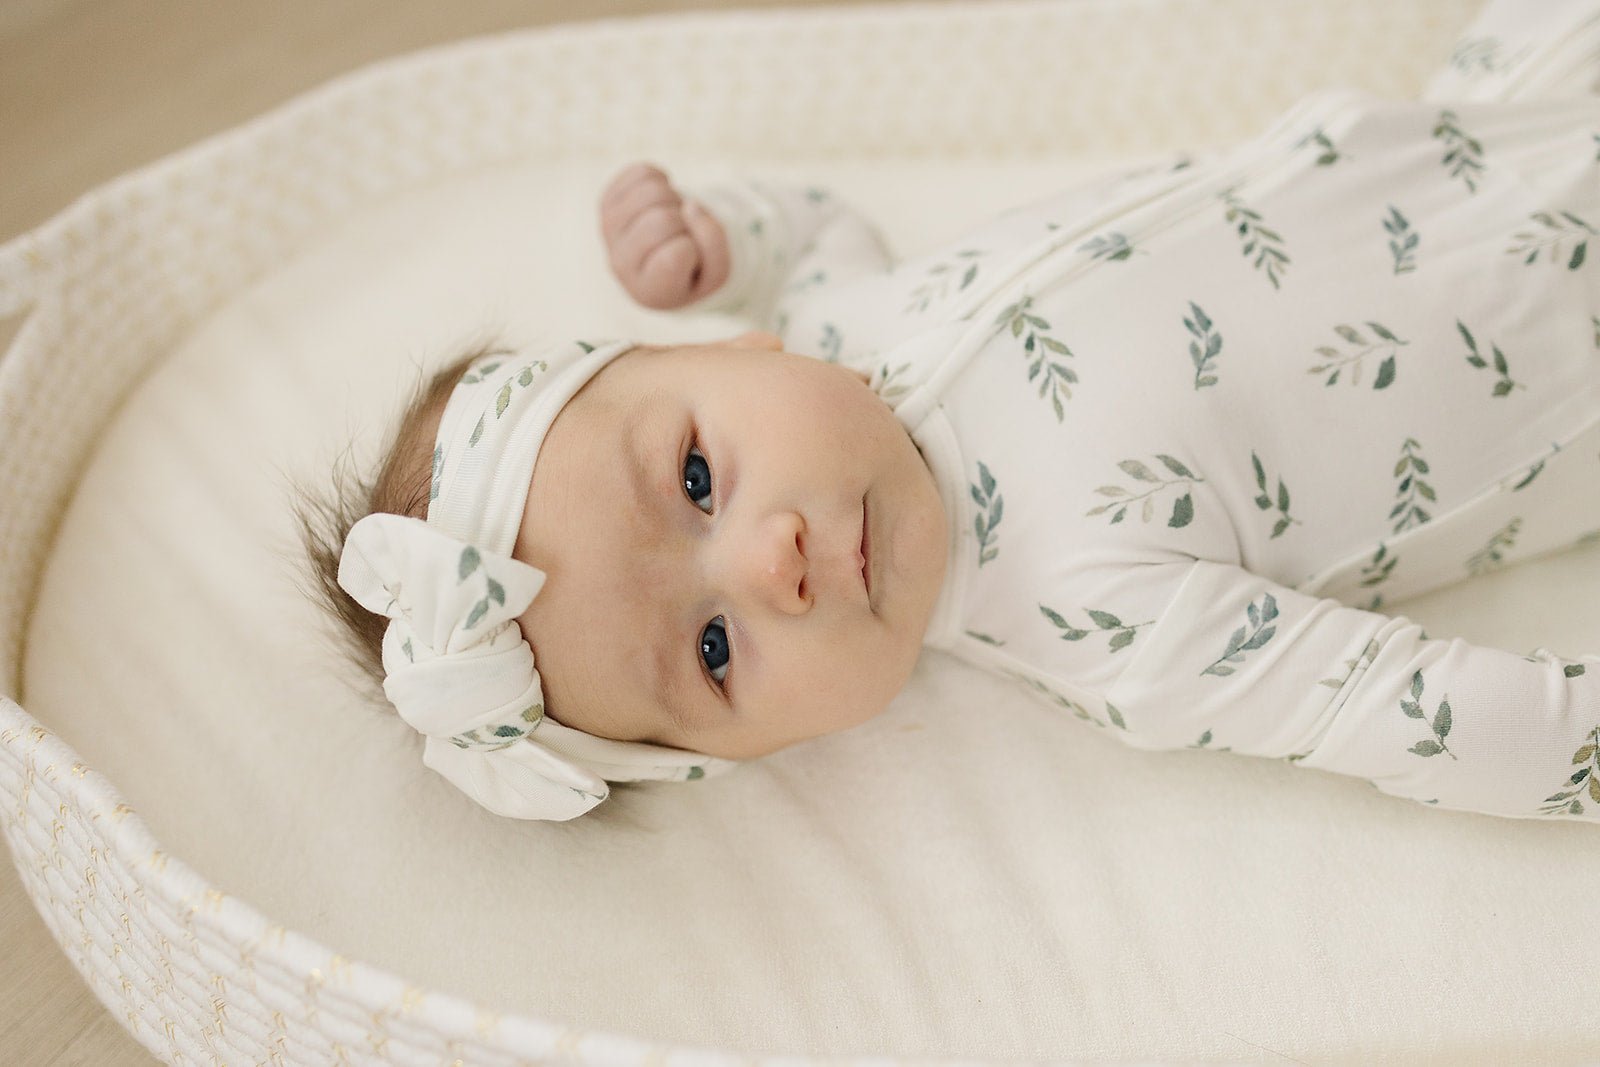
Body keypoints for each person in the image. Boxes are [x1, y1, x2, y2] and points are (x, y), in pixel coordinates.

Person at [306, 0, 1600, 822]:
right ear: (758, 751)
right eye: (713, 652)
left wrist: (725, 237)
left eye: (698, 479)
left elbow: (819, 225)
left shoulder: (837, 322)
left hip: (1489, 115)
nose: (771, 560)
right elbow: (1399, 709)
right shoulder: (1099, 620)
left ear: (733, 348)